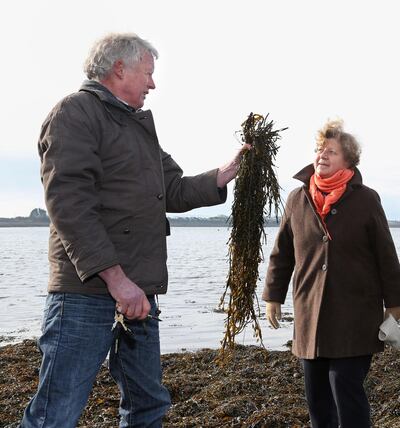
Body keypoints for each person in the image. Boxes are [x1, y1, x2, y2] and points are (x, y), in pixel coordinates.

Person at [20, 32, 246, 428]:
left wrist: (222, 176)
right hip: (87, 293)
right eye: (148, 73)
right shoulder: (75, 113)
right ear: (119, 68)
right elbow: (69, 207)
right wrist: (117, 279)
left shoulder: (135, 125)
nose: (153, 83)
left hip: (139, 293)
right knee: (55, 412)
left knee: (148, 406)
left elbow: (172, 189)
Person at [262, 119, 400, 428]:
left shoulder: (366, 199)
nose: (322, 155)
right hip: (310, 316)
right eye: (319, 150)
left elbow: (386, 256)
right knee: (317, 401)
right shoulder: (297, 199)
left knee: (346, 389)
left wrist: (395, 306)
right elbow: (282, 253)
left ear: (348, 160)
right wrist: (273, 296)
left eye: (332, 151)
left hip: (355, 318)